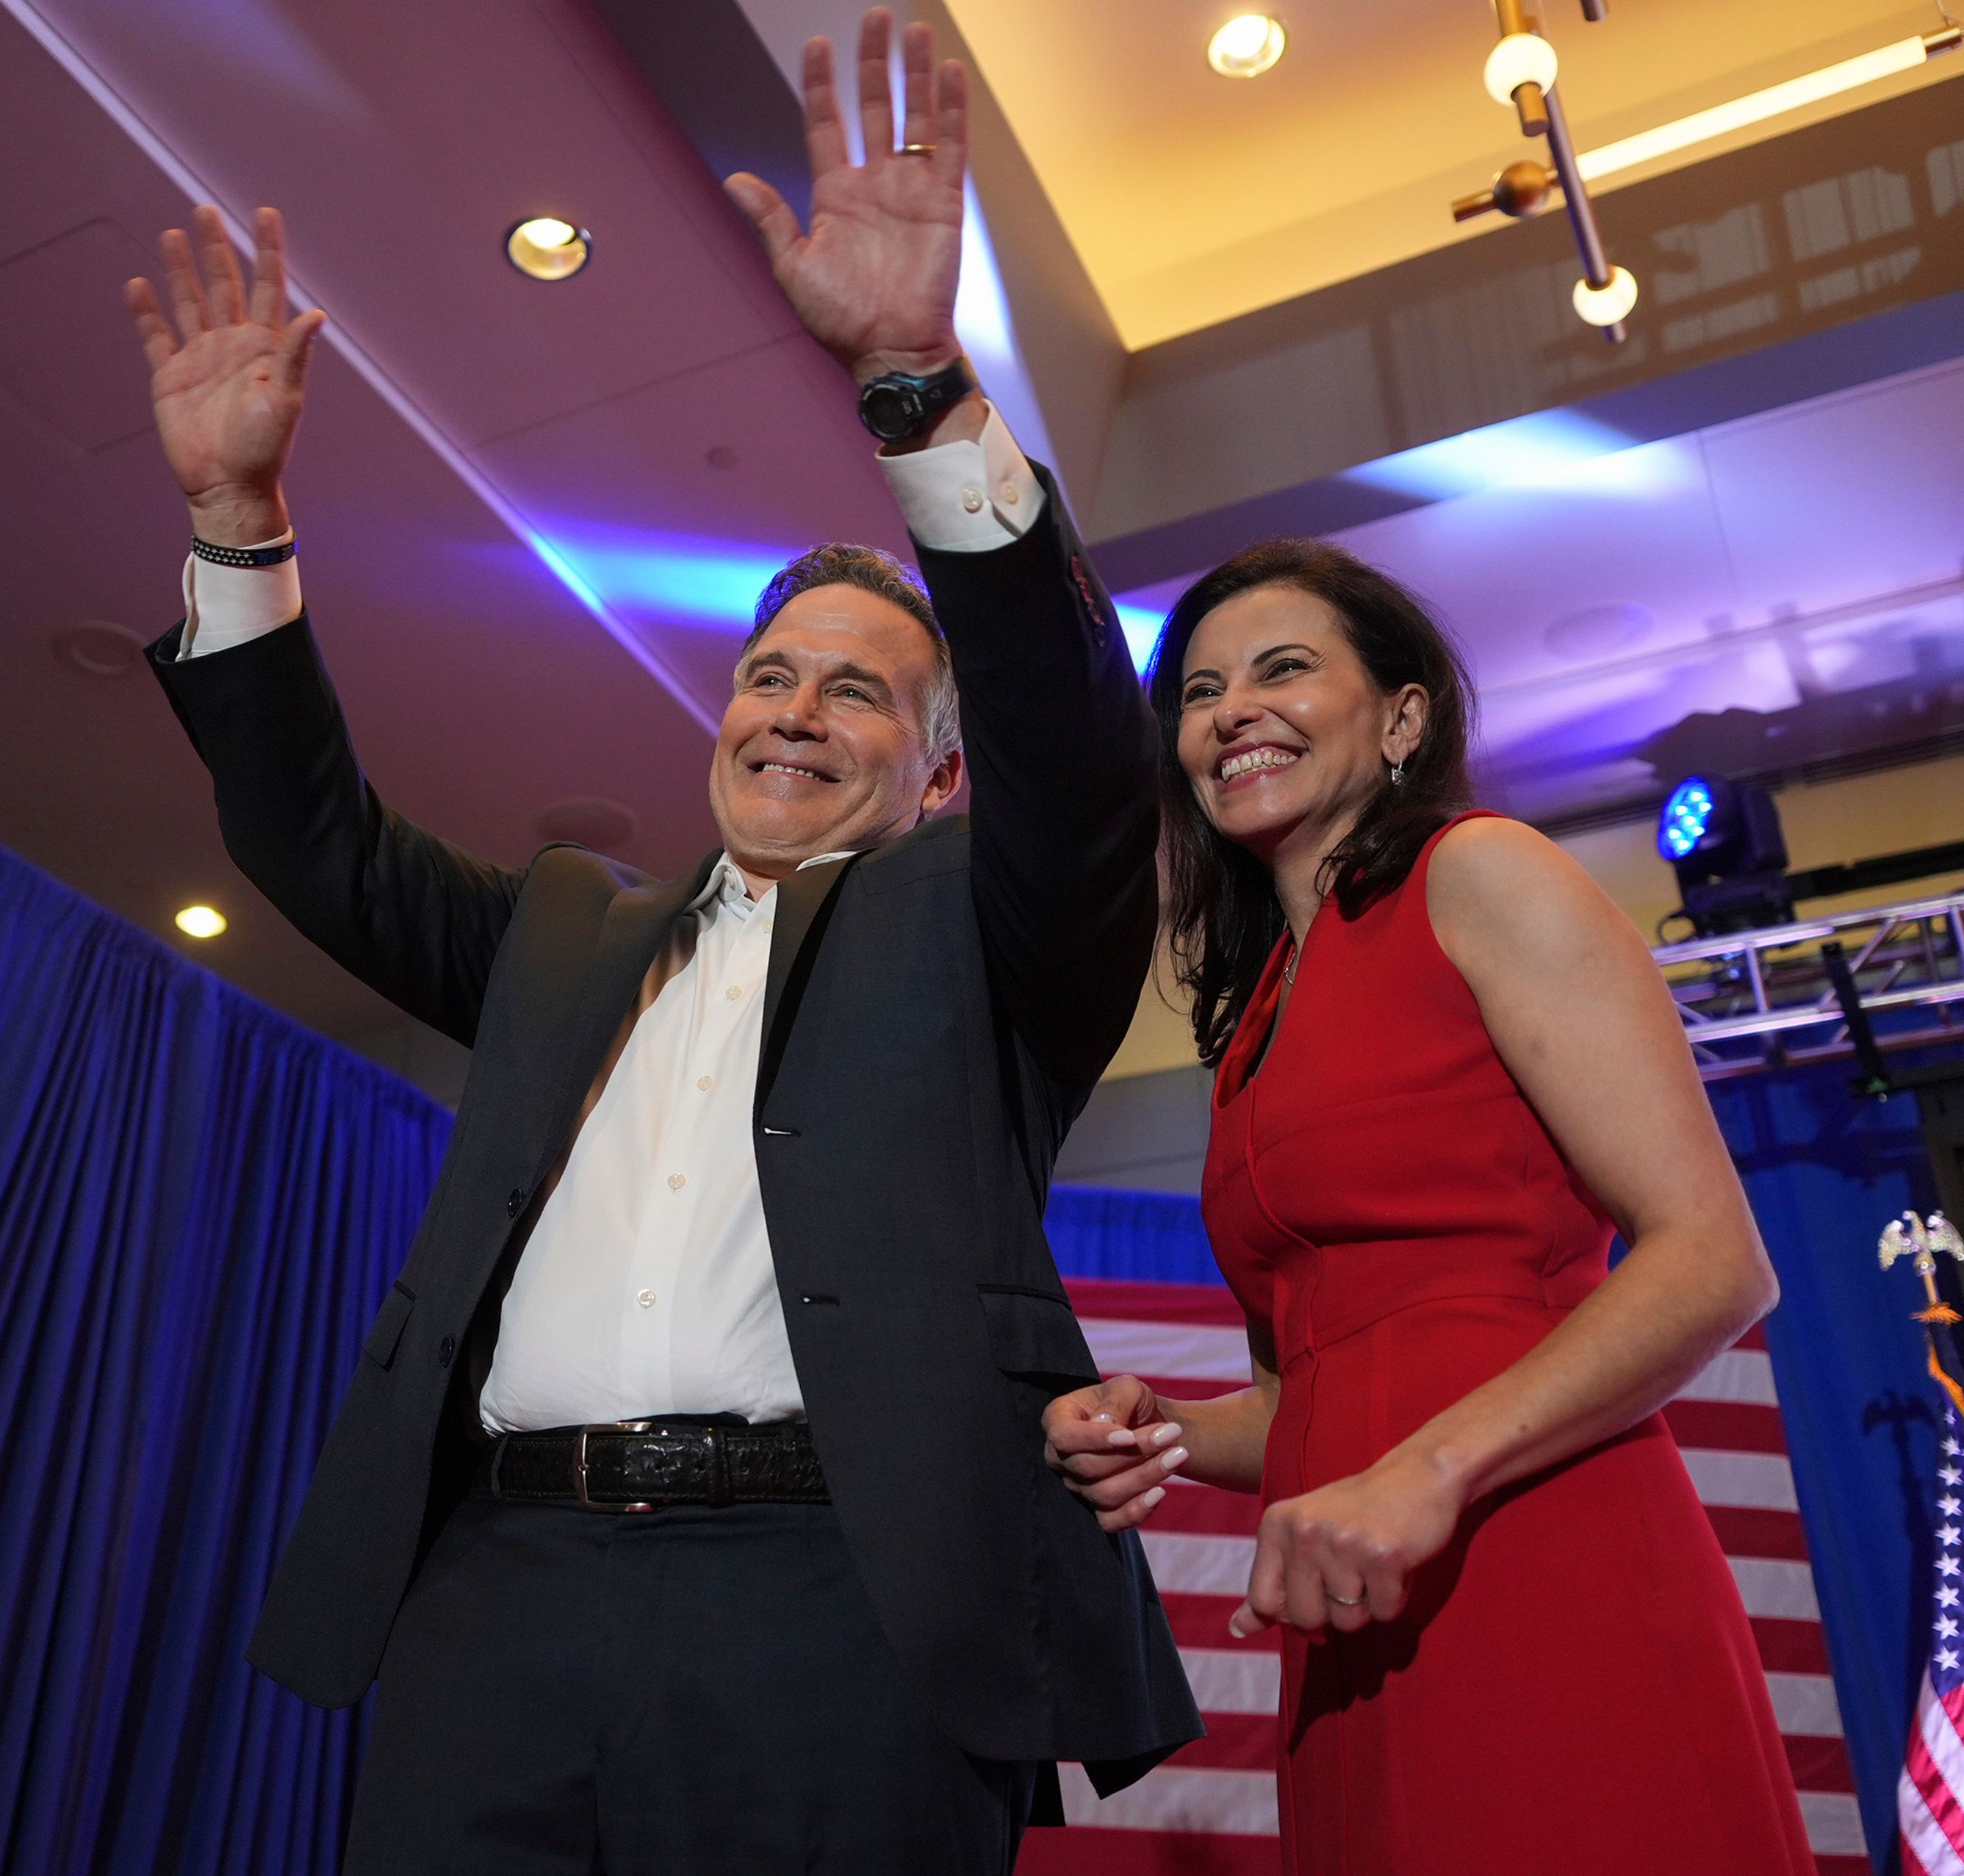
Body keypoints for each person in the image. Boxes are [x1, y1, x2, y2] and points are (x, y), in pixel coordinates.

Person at [124, 12, 1196, 1869]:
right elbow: (310, 839)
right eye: (768, 672)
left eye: (859, 694)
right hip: (498, 1591)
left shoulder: (990, 929)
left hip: (837, 1602)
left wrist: (916, 381)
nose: (790, 709)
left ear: (939, 775)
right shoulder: (562, 930)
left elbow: (1083, 757)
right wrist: (236, 521)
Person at [1047, 539, 1818, 1872]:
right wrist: (1165, 1428)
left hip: (1532, 1542)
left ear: (1403, 716)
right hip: (1350, 1597)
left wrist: (1427, 1473)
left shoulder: (1481, 871)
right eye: (1202, 689)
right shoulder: (1249, 1024)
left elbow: (1714, 1261)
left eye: (1285, 668)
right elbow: (1304, 1400)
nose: (1233, 710)